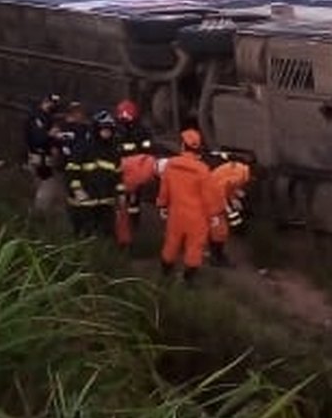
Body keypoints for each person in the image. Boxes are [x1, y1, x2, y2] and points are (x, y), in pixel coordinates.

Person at [157, 129, 220, 286]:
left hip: (176, 214)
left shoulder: (171, 165)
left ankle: (165, 273)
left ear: (182, 146)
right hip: (197, 217)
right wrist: (214, 215)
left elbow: (164, 189)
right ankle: (188, 279)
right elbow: (209, 197)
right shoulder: (202, 170)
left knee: (171, 242)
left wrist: (162, 205)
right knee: (194, 247)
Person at [65, 110, 124, 238]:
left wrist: (120, 195)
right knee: (84, 235)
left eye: (109, 129)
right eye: (104, 129)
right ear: (96, 129)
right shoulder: (82, 147)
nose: (107, 132)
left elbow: (118, 175)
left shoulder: (113, 151)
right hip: (84, 203)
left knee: (106, 235)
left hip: (105, 202)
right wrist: (77, 190)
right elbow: (71, 172)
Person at [113, 99, 154, 248]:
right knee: (122, 200)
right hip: (123, 169)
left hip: (135, 169)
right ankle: (123, 232)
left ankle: (133, 225)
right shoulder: (116, 130)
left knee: (134, 201)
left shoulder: (140, 130)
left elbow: (147, 148)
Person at [206, 154, 250, 267]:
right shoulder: (240, 176)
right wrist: (227, 207)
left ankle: (215, 255)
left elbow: (226, 186)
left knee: (217, 229)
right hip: (212, 198)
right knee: (220, 230)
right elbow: (221, 187)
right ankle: (217, 258)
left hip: (211, 194)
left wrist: (233, 197)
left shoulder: (240, 170)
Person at [24, 93, 65, 213]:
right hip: (38, 157)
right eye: (51, 103)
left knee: (43, 188)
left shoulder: (50, 118)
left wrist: (57, 142)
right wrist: (49, 134)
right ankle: (38, 213)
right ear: (45, 101)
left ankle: (36, 213)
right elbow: (37, 139)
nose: (53, 106)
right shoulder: (36, 117)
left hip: (47, 159)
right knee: (48, 186)